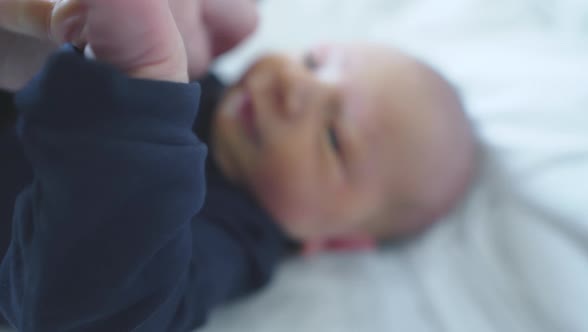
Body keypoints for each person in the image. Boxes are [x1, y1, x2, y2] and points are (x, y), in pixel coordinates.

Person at [0, 0, 476, 331]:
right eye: (312, 63)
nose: (294, 88)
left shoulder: (232, 238)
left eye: (334, 138)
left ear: (333, 240)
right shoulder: (206, 86)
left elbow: (100, 311)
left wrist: (145, 79)